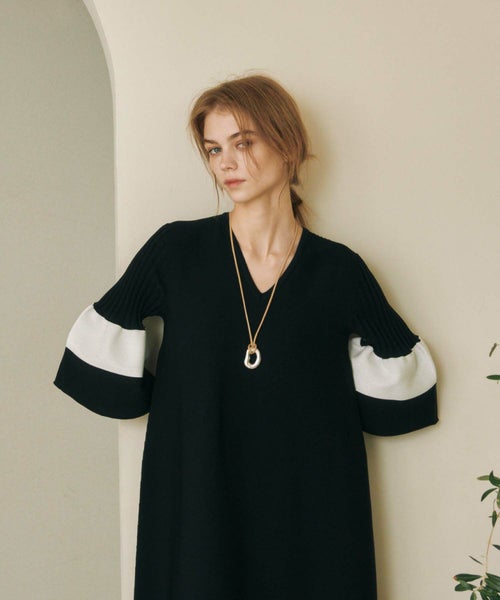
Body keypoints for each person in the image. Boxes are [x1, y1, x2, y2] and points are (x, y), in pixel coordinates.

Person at [54, 74, 438, 600]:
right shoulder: (175, 252)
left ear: (289, 144)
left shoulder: (338, 271)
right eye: (214, 149)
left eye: (244, 142)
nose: (226, 163)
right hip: (199, 509)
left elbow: (402, 395)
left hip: (310, 522)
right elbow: (100, 367)